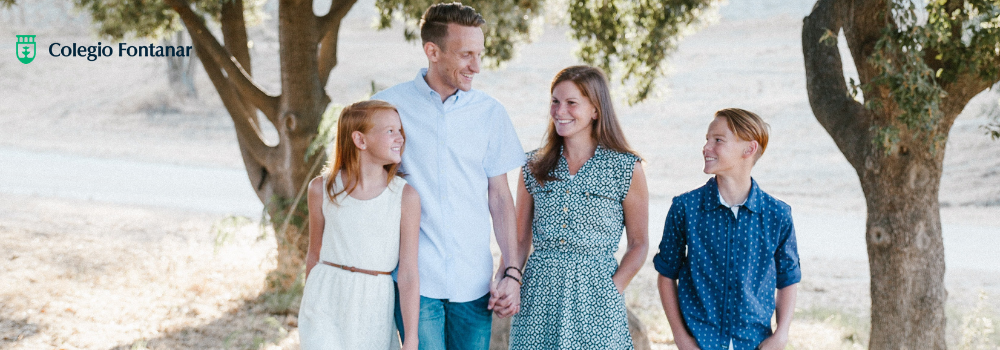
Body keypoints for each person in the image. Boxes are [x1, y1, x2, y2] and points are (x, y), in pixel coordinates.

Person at [370, 3, 526, 349]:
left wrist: (513, 272)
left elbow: (499, 197)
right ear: (432, 51)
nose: (477, 66)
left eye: (479, 54)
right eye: (466, 54)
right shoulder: (386, 109)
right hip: (413, 283)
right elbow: (365, 189)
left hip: (474, 284)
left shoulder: (490, 113)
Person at [504, 65, 649, 350]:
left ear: (596, 110)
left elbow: (639, 243)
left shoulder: (625, 168)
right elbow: (520, 239)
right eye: (555, 102)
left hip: (597, 296)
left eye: (572, 103)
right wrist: (510, 278)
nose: (560, 111)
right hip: (539, 295)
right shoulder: (533, 166)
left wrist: (612, 289)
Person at [653, 108, 800, 350]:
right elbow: (666, 274)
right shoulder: (685, 208)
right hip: (700, 341)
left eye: (718, 140)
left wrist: (781, 335)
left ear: (749, 149)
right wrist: (681, 338)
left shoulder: (778, 214)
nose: (706, 147)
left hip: (755, 342)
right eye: (707, 139)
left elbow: (788, 279)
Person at [298, 100, 421, 350]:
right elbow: (314, 253)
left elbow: (408, 273)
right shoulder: (321, 189)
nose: (400, 138)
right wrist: (308, 303)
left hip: (373, 303)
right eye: (390, 131)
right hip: (324, 298)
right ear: (360, 140)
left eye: (400, 131)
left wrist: (411, 338)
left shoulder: (405, 196)